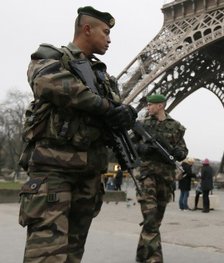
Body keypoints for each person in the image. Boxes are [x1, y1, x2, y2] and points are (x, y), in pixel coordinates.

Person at [17, 6, 137, 262]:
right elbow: (51, 83)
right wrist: (108, 108)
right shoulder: (51, 56)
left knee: (73, 255)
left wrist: (127, 113)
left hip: (88, 176)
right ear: (86, 29)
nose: (109, 38)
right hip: (54, 172)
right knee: (46, 256)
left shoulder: (102, 76)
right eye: (105, 32)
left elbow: (114, 112)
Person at [133, 93, 188, 263]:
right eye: (147, 104)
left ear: (161, 105)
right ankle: (154, 259)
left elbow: (183, 151)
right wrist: (141, 148)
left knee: (155, 221)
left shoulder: (176, 127)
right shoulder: (141, 125)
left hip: (165, 178)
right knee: (150, 218)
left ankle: (142, 256)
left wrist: (179, 153)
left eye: (151, 104)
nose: (147, 107)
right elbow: (129, 144)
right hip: (146, 175)